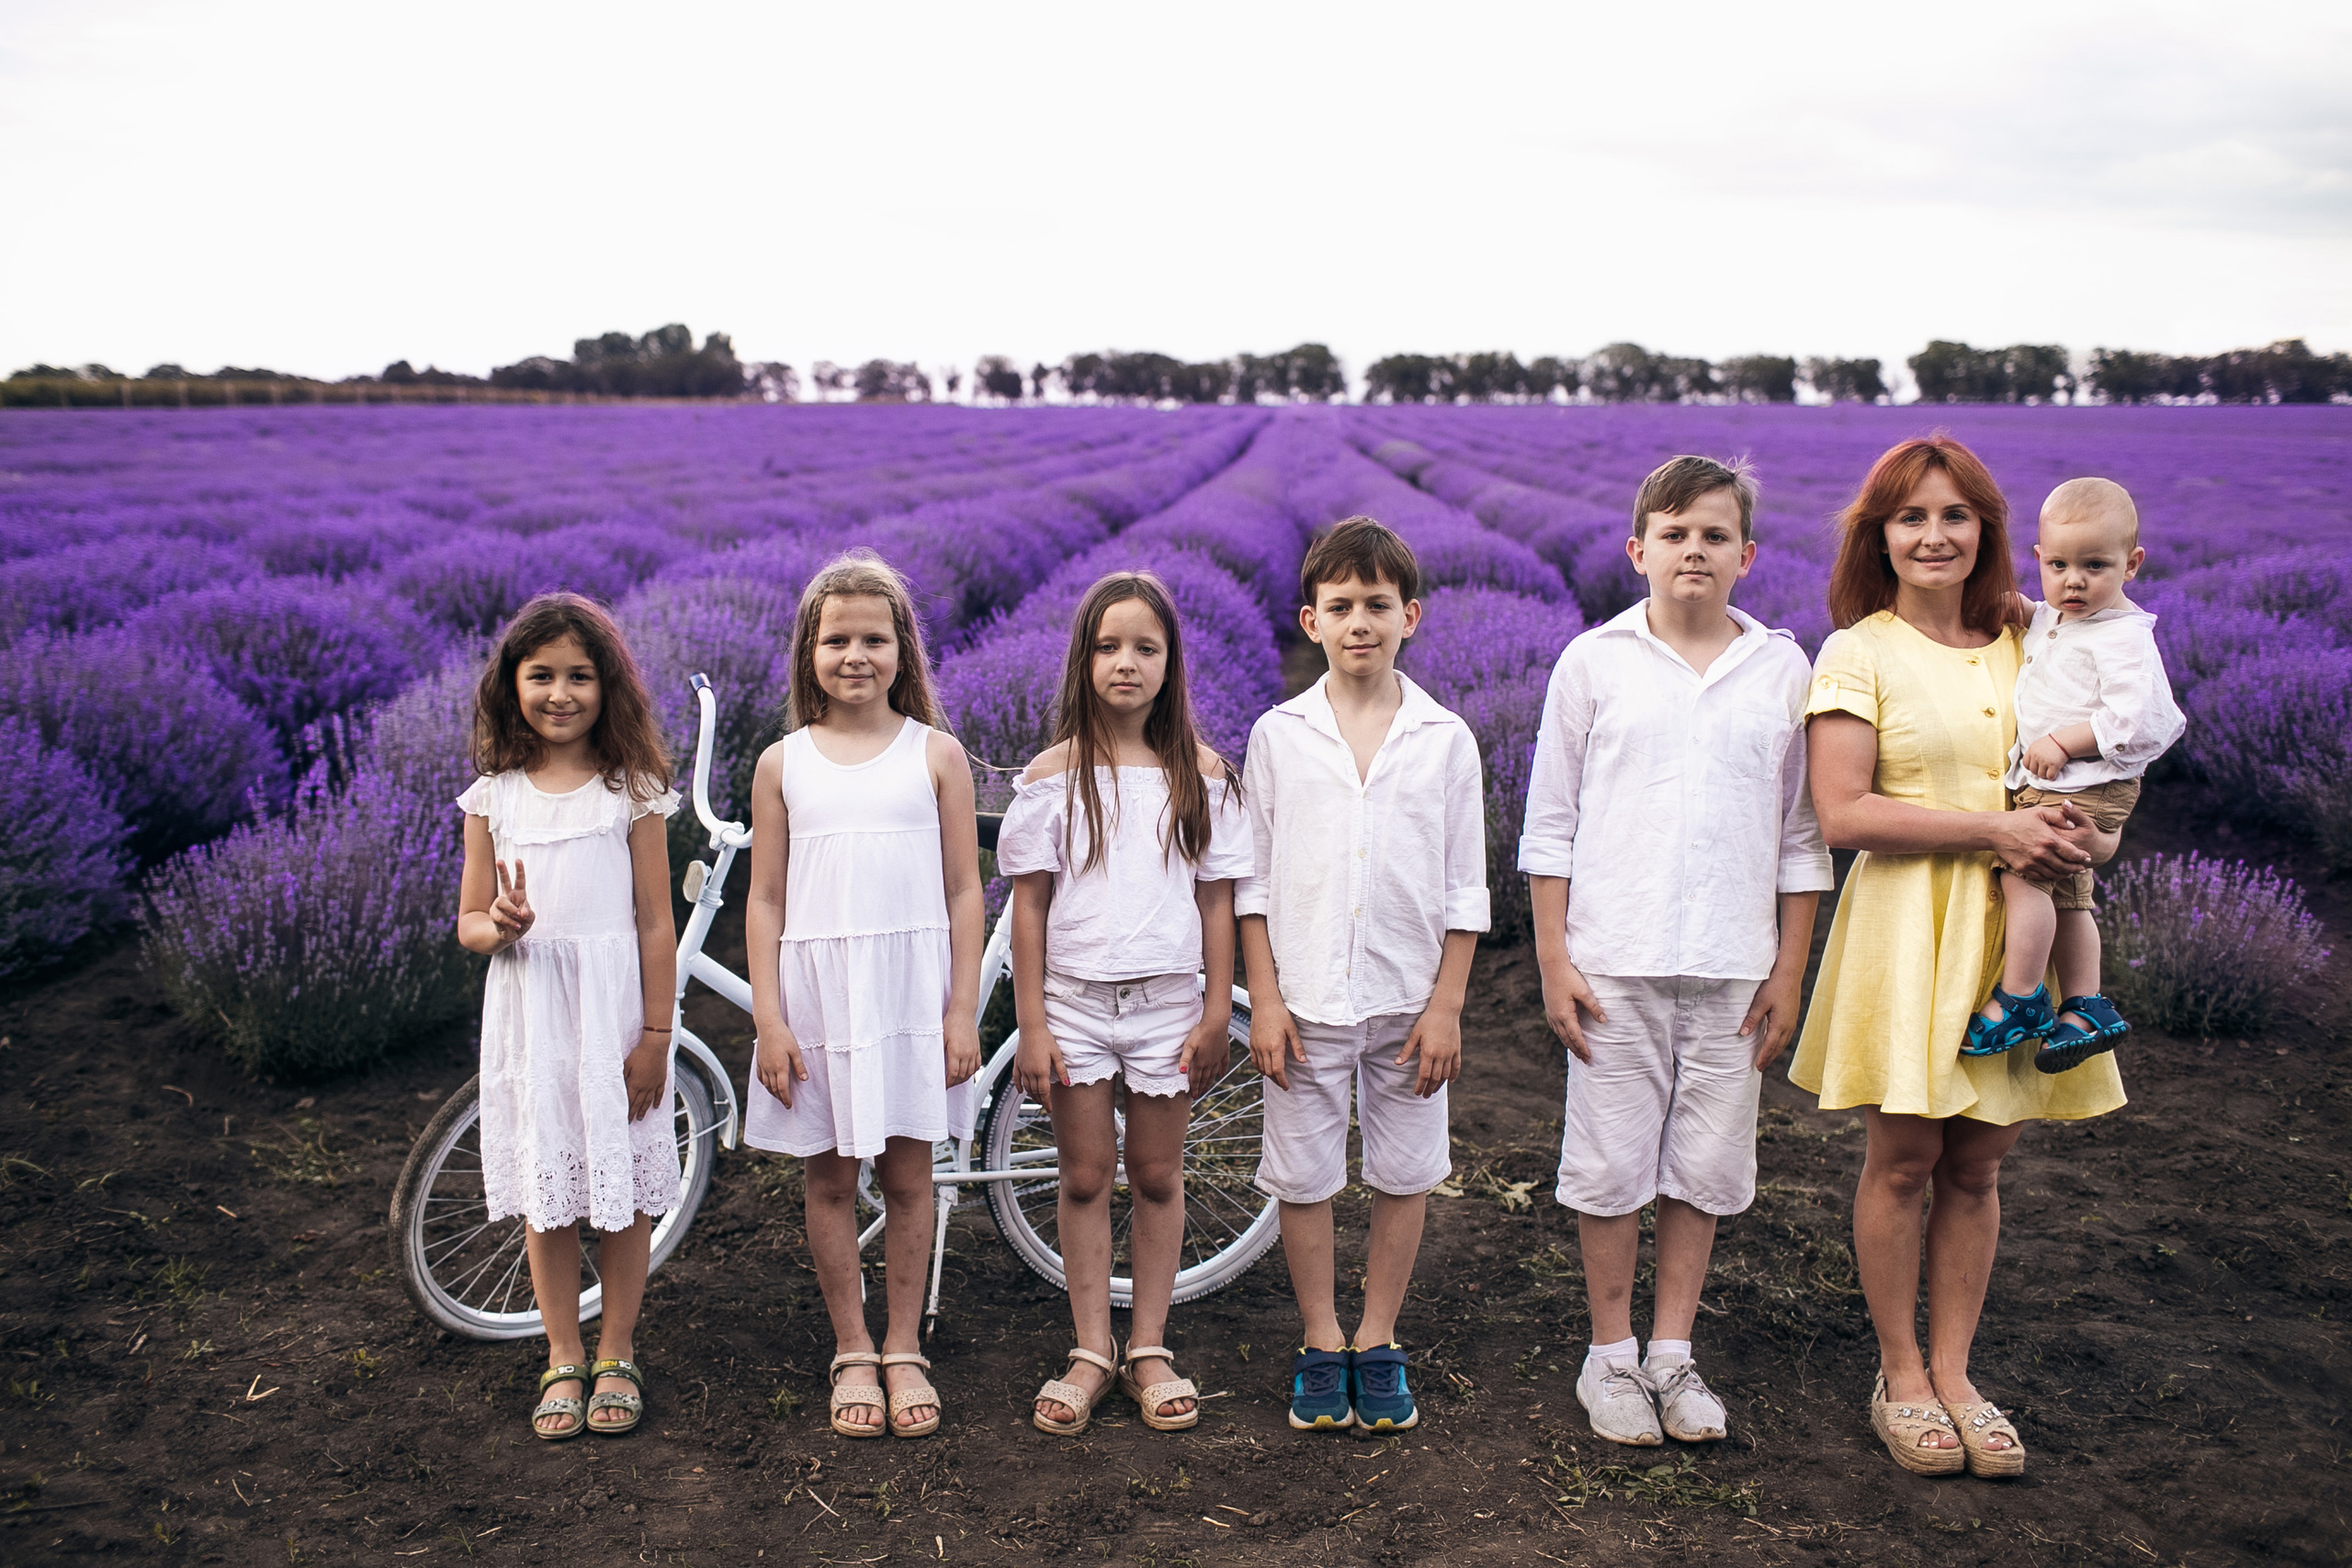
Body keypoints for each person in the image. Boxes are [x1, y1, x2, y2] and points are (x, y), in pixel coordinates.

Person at [1791, 435, 2121, 1481]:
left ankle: (1957, 1371)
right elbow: (1841, 811)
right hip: (1909, 927)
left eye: (1954, 515)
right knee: (1903, 1159)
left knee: (1978, 1165)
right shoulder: (1859, 649)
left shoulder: (2037, 635)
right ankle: (1899, 1374)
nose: (1934, 535)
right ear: (1878, 536)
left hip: (2014, 926)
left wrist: (2089, 830)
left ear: (1986, 528)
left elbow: (2118, 738)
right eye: (1910, 518)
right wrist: (1996, 834)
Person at [1521, 456, 1832, 1449]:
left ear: (1745, 554)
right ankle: (1608, 1356)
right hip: (1611, 960)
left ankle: (1672, 1352)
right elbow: (1549, 827)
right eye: (1672, 533)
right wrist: (1552, 962)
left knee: (1702, 1166)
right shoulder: (1592, 662)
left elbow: (1799, 838)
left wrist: (1789, 968)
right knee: (1611, 1164)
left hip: (1733, 966)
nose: (1691, 550)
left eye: (1711, 535)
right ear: (1637, 550)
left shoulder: (1784, 670)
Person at [1238, 516, 1489, 1434]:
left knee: (1404, 1171)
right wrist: (1261, 1000)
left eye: (1376, 605)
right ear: (1309, 621)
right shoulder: (1278, 736)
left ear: (1409, 615)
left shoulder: (1446, 738)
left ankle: (1377, 1336)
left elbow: (1465, 888)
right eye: (1339, 606)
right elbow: (1252, 883)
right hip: (1302, 1000)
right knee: (1303, 1176)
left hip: (1408, 1001)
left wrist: (1448, 1007)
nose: (1359, 623)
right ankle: (1321, 1337)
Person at [999, 571, 1251, 1437]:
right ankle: (1090, 1346)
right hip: (1070, 1006)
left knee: (1154, 1173)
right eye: (1109, 646)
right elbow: (1028, 904)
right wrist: (1031, 1024)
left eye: (1146, 647)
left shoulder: (1203, 774)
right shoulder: (1053, 775)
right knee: (1081, 1176)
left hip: (1165, 1009)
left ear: (1172, 662)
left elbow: (1217, 899)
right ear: (1083, 659)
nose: (1126, 663)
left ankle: (1149, 1344)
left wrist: (1219, 1009)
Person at [741, 550, 985, 1439]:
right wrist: (770, 1020)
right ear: (809, 649)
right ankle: (851, 1347)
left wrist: (960, 1008)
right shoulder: (783, 763)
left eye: (873, 638)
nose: (855, 655)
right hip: (819, 995)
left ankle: (902, 1342)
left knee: (912, 1178)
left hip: (911, 994)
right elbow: (765, 898)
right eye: (836, 638)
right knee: (830, 1177)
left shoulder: (936, 754)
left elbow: (966, 888)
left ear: (902, 649)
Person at [455, 592, 681, 1441]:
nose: (560, 692)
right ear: (511, 684)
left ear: (608, 685)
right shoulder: (494, 796)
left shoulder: (631, 790)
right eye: (541, 674)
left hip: (614, 1010)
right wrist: (499, 926)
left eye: (580, 675)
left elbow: (655, 921)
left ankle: (616, 1349)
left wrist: (656, 1036)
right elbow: (470, 918)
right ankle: (560, 1351)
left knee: (620, 1190)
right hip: (532, 1012)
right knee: (546, 1190)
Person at [1971, 478, 2183, 1073]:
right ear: (2038, 560)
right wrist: (2027, 610)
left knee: (2025, 875)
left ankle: (2020, 996)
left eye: (2095, 565)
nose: (2074, 581)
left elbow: (2132, 716)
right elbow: (2053, 635)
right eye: (2058, 565)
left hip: (2085, 778)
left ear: (2132, 564)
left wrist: (2064, 739)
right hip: (2073, 779)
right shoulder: (2062, 614)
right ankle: (2086, 1004)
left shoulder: (2122, 637)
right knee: (2070, 896)